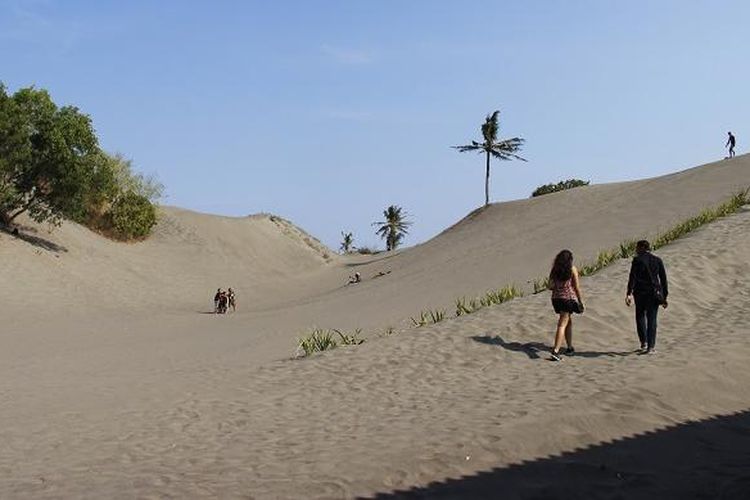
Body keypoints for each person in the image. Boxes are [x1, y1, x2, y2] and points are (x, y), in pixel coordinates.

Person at [626, 240, 668, 354]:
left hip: (640, 293)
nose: (636, 250)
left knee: (640, 316)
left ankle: (644, 343)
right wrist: (664, 297)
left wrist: (629, 293)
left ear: (642, 248)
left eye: (637, 248)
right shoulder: (657, 260)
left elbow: (632, 277)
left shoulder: (637, 260)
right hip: (654, 294)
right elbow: (663, 280)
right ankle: (651, 347)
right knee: (652, 319)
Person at [547, 249, 585, 361]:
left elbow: (549, 285)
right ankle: (556, 351)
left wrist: (558, 286)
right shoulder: (572, 269)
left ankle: (569, 347)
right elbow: (576, 287)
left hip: (556, 299)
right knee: (562, 324)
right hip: (567, 299)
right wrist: (581, 301)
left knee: (568, 321)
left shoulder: (554, 270)